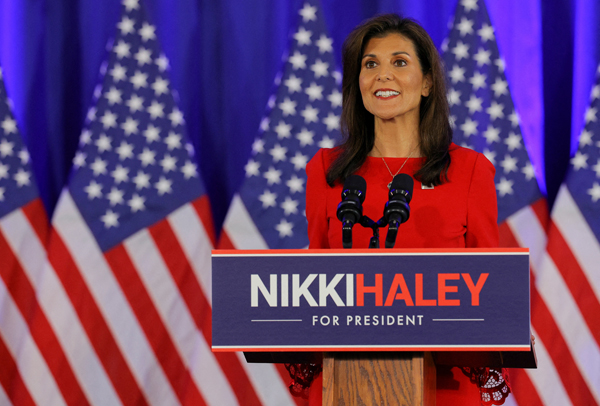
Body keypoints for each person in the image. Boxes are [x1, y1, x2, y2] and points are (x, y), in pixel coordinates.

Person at [286, 14, 512, 406]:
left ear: (427, 83)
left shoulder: (469, 171)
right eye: (370, 64)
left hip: (443, 387)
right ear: (358, 82)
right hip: (346, 384)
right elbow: (316, 285)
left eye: (400, 62)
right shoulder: (326, 170)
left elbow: (488, 285)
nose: (382, 75)